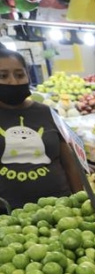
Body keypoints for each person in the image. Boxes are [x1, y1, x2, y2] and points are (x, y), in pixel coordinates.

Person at [0, 48, 82, 210]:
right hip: (9, 215)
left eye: (19, 75)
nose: (14, 82)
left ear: (28, 75)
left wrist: (80, 201)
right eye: (3, 76)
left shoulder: (48, 113)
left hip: (61, 207)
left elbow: (70, 164)